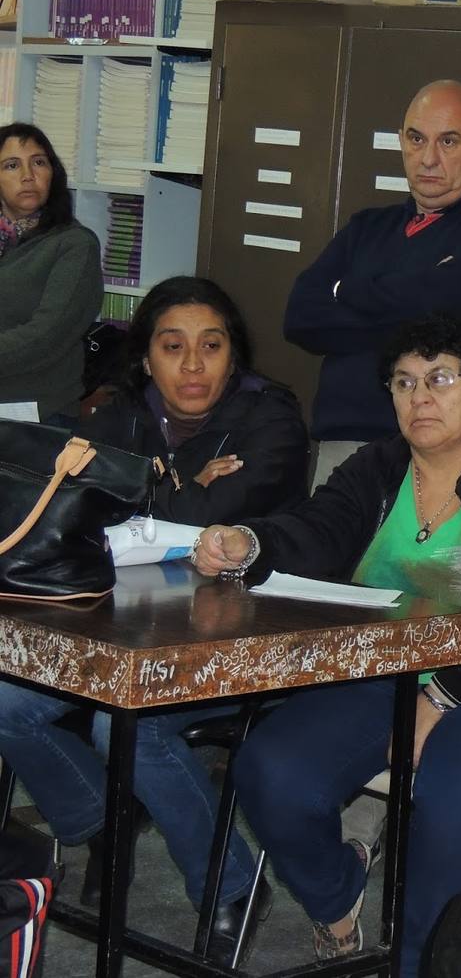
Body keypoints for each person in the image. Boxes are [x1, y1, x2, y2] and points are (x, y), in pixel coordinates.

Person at [190, 313, 461, 975]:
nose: (421, 398)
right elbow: (318, 532)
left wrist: (444, 696)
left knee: (458, 786)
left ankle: (416, 963)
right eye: (404, 383)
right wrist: (251, 543)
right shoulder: (378, 467)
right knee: (271, 772)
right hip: (387, 668)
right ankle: (337, 902)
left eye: (440, 379)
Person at [0, 275, 309, 965]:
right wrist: (187, 488)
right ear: (146, 358)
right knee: (4, 699)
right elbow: (72, 517)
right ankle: (104, 819)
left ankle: (230, 884)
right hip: (123, 625)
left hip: (241, 631)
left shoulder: (271, 417)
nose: (193, 366)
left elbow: (211, 525)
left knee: (123, 723)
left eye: (211, 346)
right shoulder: (116, 414)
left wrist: (169, 491)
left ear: (236, 355)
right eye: (173, 347)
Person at [284, 79, 461, 487]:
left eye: (449, 142)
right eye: (417, 139)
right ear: (401, 142)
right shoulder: (367, 227)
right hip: (343, 448)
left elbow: (438, 309)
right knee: (330, 550)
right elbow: (299, 316)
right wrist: (406, 316)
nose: (429, 159)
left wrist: (345, 291)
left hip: (440, 453)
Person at [0, 123, 102, 424]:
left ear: (52, 174)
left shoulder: (74, 244)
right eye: (11, 165)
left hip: (36, 416)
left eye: (39, 162)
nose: (28, 175)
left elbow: (46, 337)